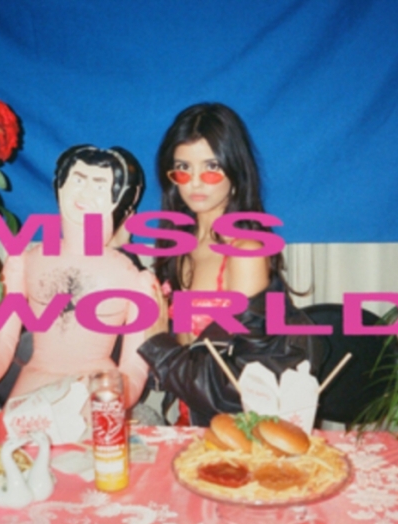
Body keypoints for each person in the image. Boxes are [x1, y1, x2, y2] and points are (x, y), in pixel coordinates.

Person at [137, 103, 321, 426]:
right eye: (183, 168)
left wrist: (157, 346)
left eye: (211, 168)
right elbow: (186, 358)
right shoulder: (177, 247)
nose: (195, 183)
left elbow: (244, 386)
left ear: (235, 172)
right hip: (191, 426)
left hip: (241, 434)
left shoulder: (245, 252)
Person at [0, 145, 155, 410]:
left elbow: (135, 365)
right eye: (78, 180)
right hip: (33, 390)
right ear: (59, 187)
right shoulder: (25, 262)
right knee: (13, 437)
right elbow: (3, 337)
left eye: (99, 186)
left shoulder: (135, 279)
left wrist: (121, 397)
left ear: (118, 200)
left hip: (95, 393)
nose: (85, 193)